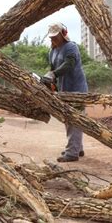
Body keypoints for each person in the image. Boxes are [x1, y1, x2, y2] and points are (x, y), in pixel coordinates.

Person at [42, 22, 88, 162]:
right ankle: (77, 148)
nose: (52, 40)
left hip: (77, 89)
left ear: (63, 34)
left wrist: (54, 74)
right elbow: (52, 70)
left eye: (55, 37)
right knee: (70, 120)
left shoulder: (70, 47)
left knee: (74, 119)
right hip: (64, 89)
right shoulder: (52, 51)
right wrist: (49, 82)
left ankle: (72, 153)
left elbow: (69, 64)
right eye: (51, 38)